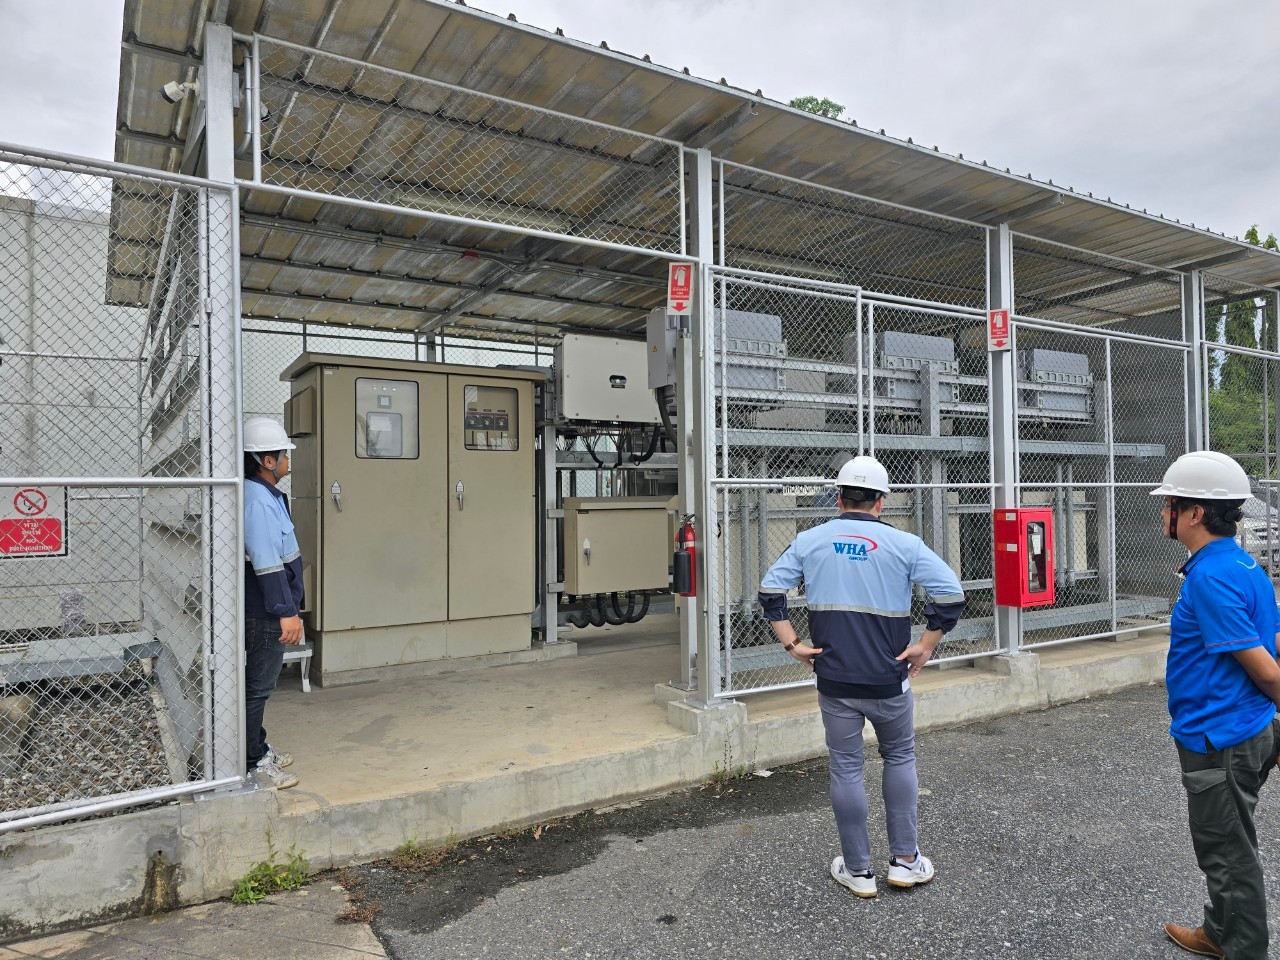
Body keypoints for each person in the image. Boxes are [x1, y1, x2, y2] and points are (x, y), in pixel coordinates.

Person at [758, 455, 965, 899]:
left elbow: (770, 591)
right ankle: (905, 862)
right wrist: (926, 645)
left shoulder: (810, 540)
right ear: (881, 502)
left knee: (846, 767)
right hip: (889, 678)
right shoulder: (905, 544)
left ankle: (858, 871)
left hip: (834, 680)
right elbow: (951, 596)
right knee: (900, 757)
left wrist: (793, 644)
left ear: (838, 498)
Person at [1153, 451, 1280, 960]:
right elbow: (1273, 641)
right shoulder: (1241, 564)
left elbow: (1266, 669)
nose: (1163, 511)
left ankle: (1242, 948)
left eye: (1169, 503)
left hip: (1220, 736)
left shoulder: (1211, 577)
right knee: (1226, 841)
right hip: (1241, 726)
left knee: (1227, 853)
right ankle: (1219, 932)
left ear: (1195, 512)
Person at [242, 417, 304, 790]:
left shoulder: (265, 496)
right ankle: (252, 762)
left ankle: (258, 747)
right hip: (266, 611)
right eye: (284, 455)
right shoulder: (257, 502)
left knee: (258, 686)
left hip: (269, 608)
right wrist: (287, 612)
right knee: (258, 688)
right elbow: (267, 563)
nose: (288, 461)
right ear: (268, 461)